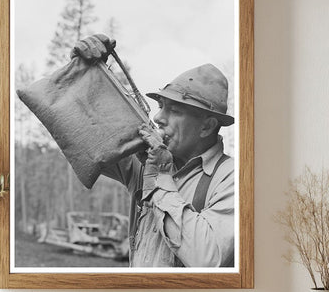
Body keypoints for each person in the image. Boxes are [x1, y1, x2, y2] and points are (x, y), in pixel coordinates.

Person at [71, 34, 235, 268]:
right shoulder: (146, 161)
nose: (158, 118)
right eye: (161, 107)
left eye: (175, 110)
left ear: (207, 126)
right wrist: (84, 76)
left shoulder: (232, 179)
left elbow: (207, 257)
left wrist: (160, 177)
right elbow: (82, 137)